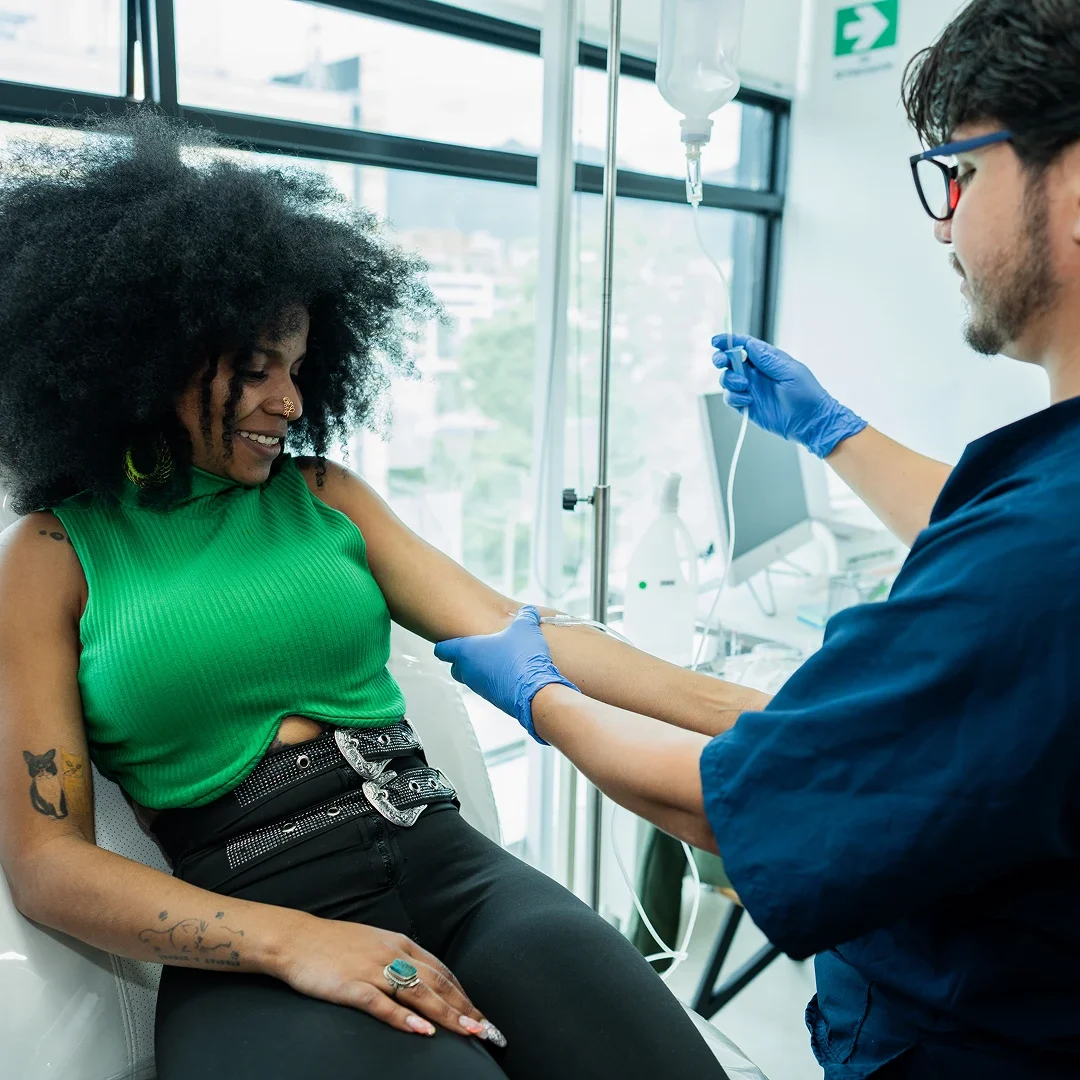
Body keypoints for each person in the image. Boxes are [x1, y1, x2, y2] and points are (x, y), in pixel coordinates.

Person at [0, 111, 746, 1080]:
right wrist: (290, 942)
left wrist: (770, 713)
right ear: (148, 358)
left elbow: (526, 636)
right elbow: (47, 864)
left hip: (449, 866)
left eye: (300, 370)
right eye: (257, 370)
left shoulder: (325, 498)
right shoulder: (55, 553)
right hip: (249, 916)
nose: (293, 404)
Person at [433, 3, 1080, 1077]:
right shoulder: (1041, 510)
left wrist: (538, 694)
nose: (941, 224)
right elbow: (1001, 536)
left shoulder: (1037, 562)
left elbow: (725, 802)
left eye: (957, 176)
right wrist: (831, 430)